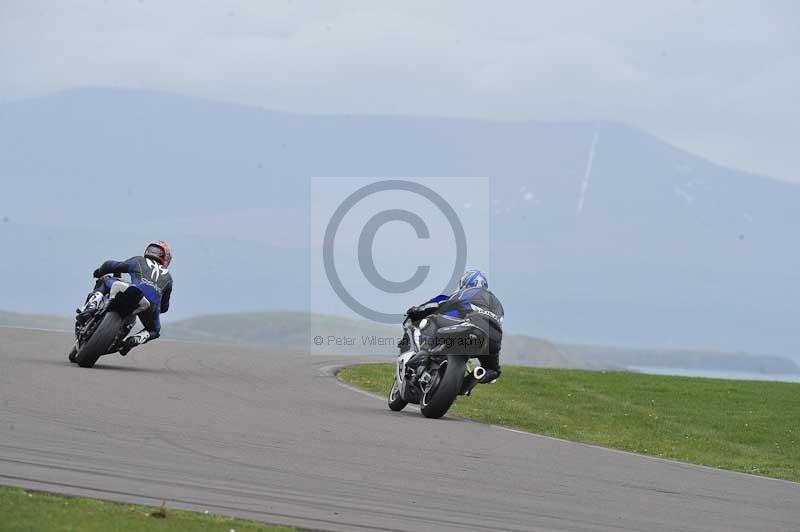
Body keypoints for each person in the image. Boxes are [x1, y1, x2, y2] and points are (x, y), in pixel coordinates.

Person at [404, 269, 504, 383]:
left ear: (465, 283)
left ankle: (424, 353)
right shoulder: (497, 303)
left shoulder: (468, 292)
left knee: (432, 319)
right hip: (493, 338)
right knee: (493, 371)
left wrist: (418, 311)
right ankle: (473, 379)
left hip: (471, 328)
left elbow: (442, 305)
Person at [76, 241, 173, 356]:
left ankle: (92, 306)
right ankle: (135, 340)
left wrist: (99, 272)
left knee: (105, 280)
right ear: (165, 258)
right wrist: (153, 310)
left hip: (134, 291)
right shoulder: (168, 277)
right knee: (154, 331)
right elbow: (164, 307)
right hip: (150, 305)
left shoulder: (139, 260)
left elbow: (110, 265)